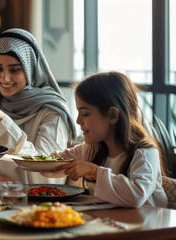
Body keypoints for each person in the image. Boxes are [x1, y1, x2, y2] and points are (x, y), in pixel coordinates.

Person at [0, 28, 77, 184]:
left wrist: (3, 121)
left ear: (30, 70)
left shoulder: (51, 112)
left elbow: (46, 172)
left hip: (33, 203)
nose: (5, 78)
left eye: (14, 70)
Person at [45, 71, 167, 208]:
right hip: (111, 223)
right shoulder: (91, 149)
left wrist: (94, 171)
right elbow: (55, 163)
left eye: (85, 113)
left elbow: (136, 196)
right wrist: (36, 163)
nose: (78, 120)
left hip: (148, 227)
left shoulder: (145, 152)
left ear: (112, 116)